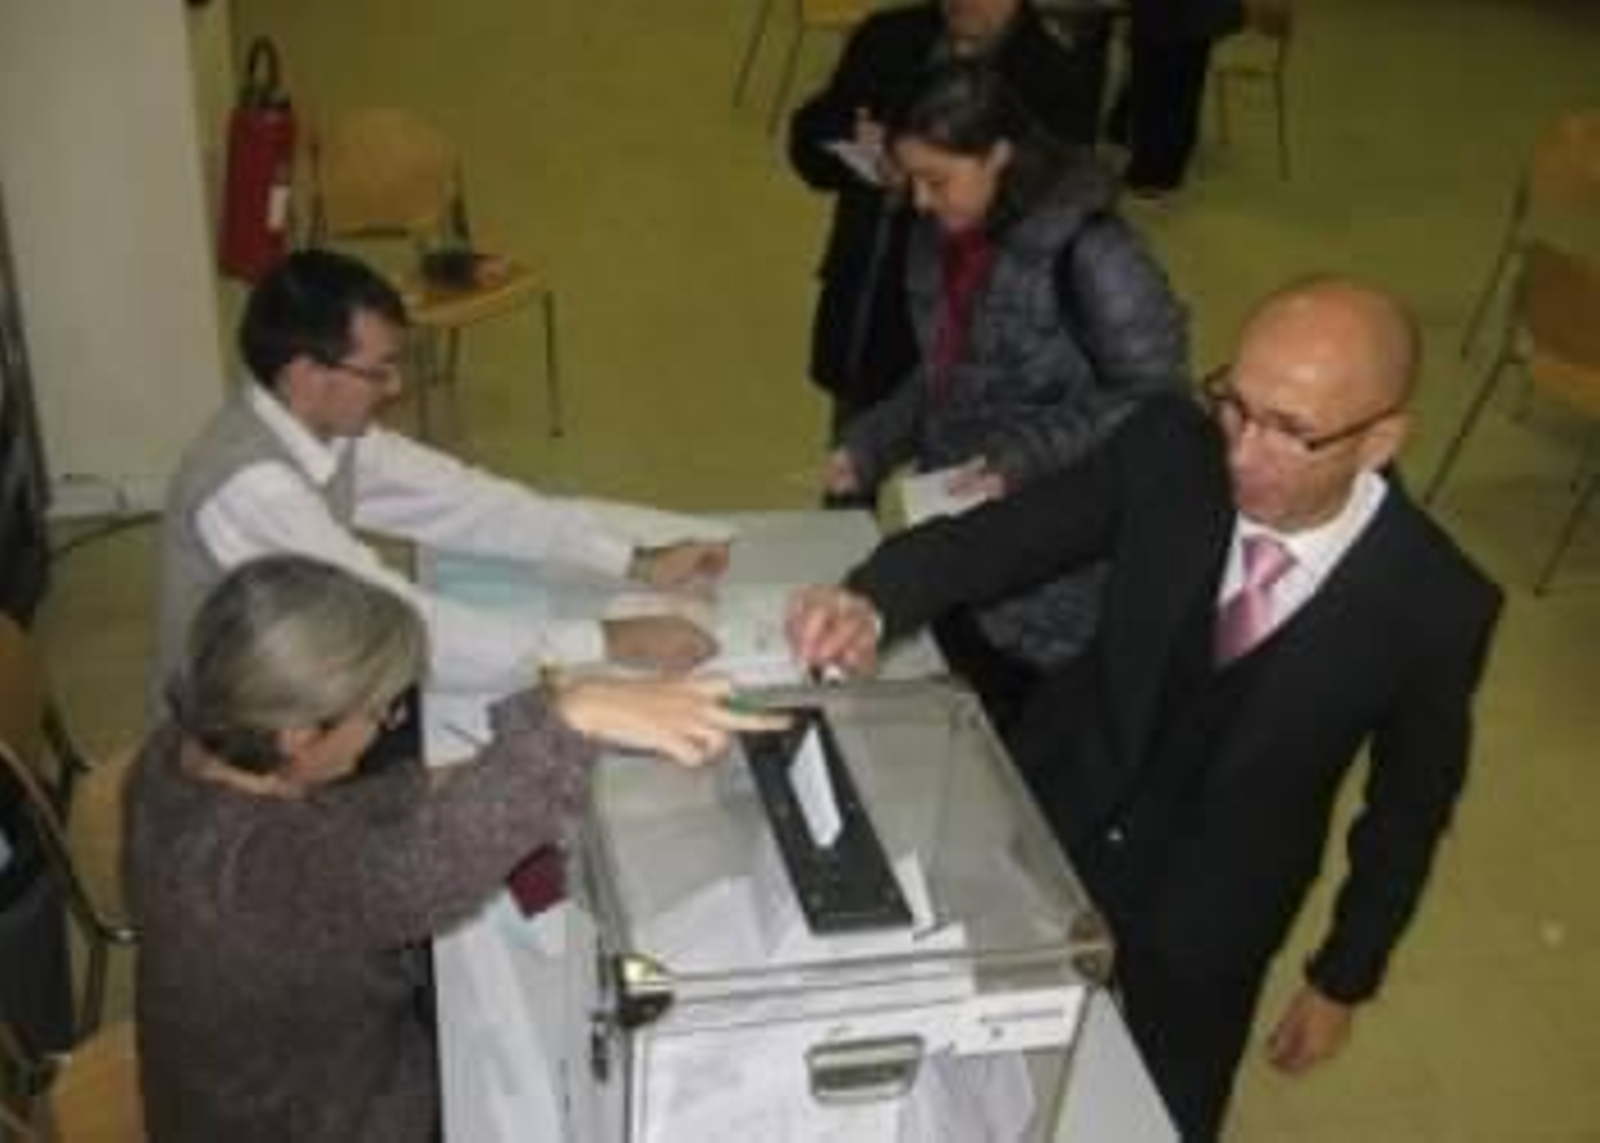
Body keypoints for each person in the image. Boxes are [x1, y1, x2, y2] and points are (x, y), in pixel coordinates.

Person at [789, 277, 1502, 1140]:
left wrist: (1342, 978)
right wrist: (877, 596)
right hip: (1053, 815)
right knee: (969, 1062)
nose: (1242, 453)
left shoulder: (1434, 603)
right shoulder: (1173, 448)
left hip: (1212, 917)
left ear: (1381, 437)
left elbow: (1406, 811)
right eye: (1237, 406)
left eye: (1293, 432)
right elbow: (1014, 536)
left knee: (1160, 1114)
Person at [128, 555, 782, 1141]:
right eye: (378, 713)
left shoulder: (182, 756)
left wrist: (473, 770)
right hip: (318, 1115)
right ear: (298, 734)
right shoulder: (247, 876)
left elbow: (325, 816)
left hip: (268, 1081)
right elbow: (411, 879)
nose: (382, 728)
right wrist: (570, 719)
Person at [154, 248, 727, 704]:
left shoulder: (320, 427)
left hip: (314, 701)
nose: (395, 388)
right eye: (377, 371)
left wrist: (634, 560)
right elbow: (394, 626)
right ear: (307, 375)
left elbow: (461, 499)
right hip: (248, 761)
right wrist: (607, 641)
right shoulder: (254, 489)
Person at [826, 60, 1188, 725]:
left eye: (938, 180)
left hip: (1058, 573)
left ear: (999, 156)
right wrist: (875, 442)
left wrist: (1021, 456)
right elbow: (948, 366)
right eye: (913, 181)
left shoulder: (1095, 252)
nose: (922, 203)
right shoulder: (949, 234)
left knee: (1022, 752)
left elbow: (1158, 402)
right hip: (961, 542)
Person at [789, 0, 1108, 455]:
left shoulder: (1052, 77)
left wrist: (945, 182)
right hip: (873, 301)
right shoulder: (890, 37)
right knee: (852, 467)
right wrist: (848, 138)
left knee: (957, 493)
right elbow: (810, 137)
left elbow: (1062, 201)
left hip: (976, 328)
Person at [1109, 0, 1245, 197]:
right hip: (1162, 18)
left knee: (1175, 85)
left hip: (1184, 18)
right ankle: (1151, 165)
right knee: (1157, 85)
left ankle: (1161, 170)